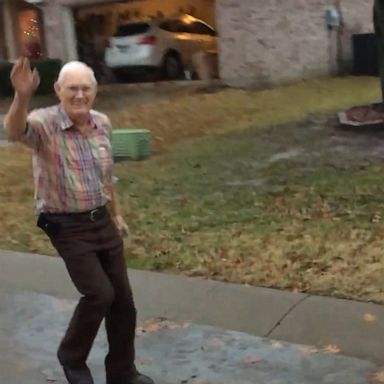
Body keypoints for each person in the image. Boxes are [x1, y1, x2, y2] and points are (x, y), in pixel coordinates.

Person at [3, 58, 154, 384]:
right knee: (100, 294)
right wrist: (22, 96)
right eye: (72, 88)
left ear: (95, 92)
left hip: (101, 218)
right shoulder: (44, 124)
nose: (80, 95)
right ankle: (71, 357)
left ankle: (122, 373)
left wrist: (116, 213)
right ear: (58, 90)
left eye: (86, 88)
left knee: (124, 303)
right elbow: (14, 131)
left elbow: (107, 176)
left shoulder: (102, 123)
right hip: (64, 223)